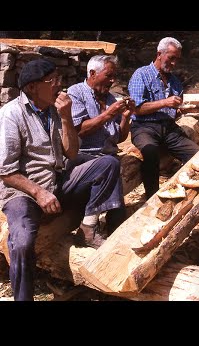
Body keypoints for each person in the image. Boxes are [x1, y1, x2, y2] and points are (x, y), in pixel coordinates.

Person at [0, 59, 124, 301]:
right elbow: (5, 171)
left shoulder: (53, 110)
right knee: (22, 242)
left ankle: (88, 228)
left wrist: (66, 117)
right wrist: (38, 193)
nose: (60, 85)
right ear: (33, 87)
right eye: (53, 81)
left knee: (108, 164)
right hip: (23, 192)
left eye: (59, 79)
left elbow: (71, 153)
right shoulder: (10, 115)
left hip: (56, 181)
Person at [68, 55, 135, 234]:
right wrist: (108, 114)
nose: (112, 81)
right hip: (84, 158)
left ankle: (106, 228)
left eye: (114, 76)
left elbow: (119, 138)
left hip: (108, 158)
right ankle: (89, 228)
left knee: (118, 218)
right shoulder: (76, 92)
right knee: (110, 166)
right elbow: (79, 130)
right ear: (92, 73)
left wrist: (126, 117)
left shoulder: (111, 99)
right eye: (109, 76)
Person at [128, 37, 199, 199]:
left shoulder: (175, 81)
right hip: (144, 127)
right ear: (159, 54)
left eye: (177, 59)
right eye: (171, 58)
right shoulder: (141, 75)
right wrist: (165, 102)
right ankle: (152, 196)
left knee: (196, 154)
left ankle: (186, 188)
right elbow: (137, 108)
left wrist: (178, 109)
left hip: (168, 128)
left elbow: (173, 109)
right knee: (150, 152)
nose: (174, 63)